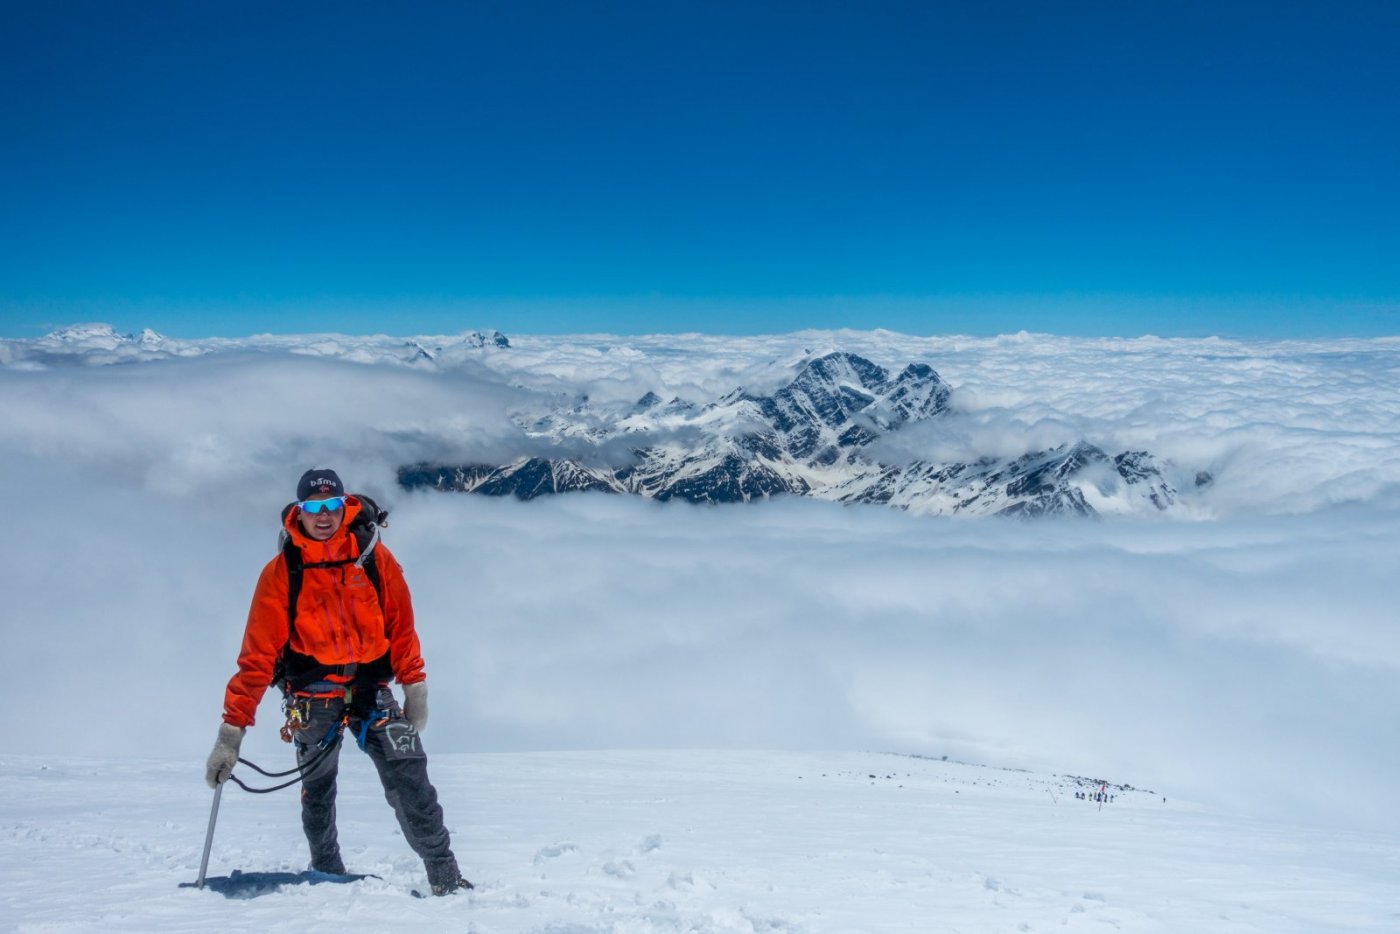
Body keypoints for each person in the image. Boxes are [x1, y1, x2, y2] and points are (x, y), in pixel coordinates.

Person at [204, 468, 471, 895]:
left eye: (331, 505)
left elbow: (401, 626)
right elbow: (257, 656)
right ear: (299, 512)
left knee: (411, 777)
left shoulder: (374, 557)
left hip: (372, 690)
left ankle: (446, 877)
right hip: (312, 696)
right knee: (318, 788)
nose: (323, 515)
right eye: (314, 507)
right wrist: (231, 733)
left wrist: (414, 686)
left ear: (345, 506)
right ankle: (327, 876)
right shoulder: (282, 571)